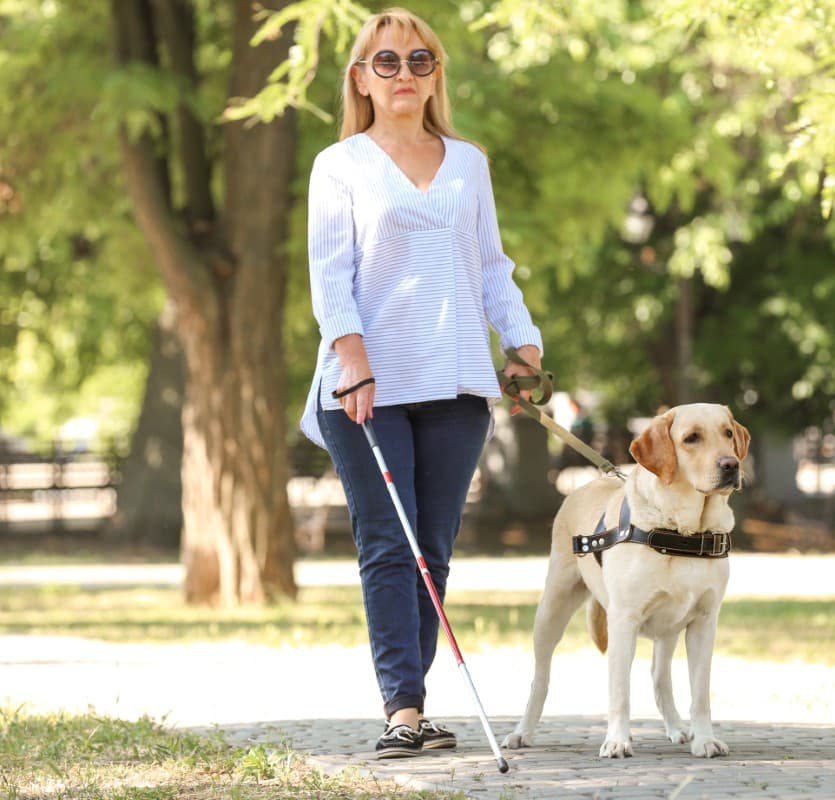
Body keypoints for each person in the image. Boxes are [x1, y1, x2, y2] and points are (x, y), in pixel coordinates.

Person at [298, 7, 543, 759]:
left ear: (435, 74)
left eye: (419, 60)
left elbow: (491, 267)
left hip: (458, 380)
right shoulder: (339, 166)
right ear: (360, 80)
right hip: (363, 385)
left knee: (432, 549)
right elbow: (330, 276)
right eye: (387, 62)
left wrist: (524, 343)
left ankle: (417, 701)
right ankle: (402, 709)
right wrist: (353, 359)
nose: (404, 73)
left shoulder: (468, 162)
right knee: (387, 544)